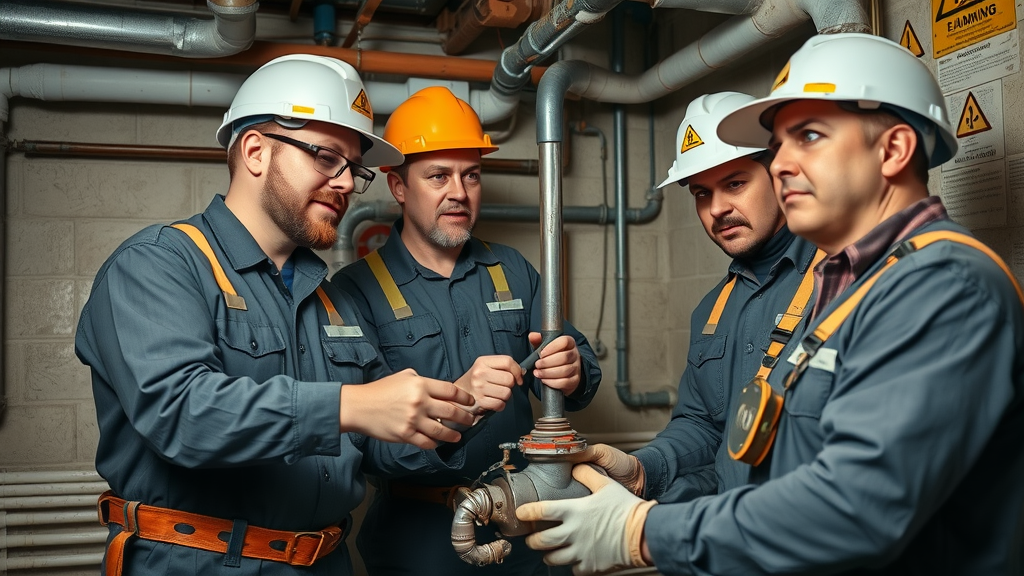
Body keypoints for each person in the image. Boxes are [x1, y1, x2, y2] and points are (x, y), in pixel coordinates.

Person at [518, 32, 1024, 576]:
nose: (782, 164)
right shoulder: (852, 285)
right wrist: (647, 472)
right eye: (780, 144)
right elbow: (749, 446)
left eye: (809, 136)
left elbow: (857, 508)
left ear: (894, 150)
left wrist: (645, 532)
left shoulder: (941, 287)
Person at [75, 55, 477, 576]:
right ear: (255, 151)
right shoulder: (158, 264)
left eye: (354, 170)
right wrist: (347, 405)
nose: (345, 184)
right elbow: (181, 414)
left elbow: (377, 446)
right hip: (196, 564)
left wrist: (454, 409)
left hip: (326, 562)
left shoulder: (334, 300)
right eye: (326, 157)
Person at [331, 86, 602, 576]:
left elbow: (576, 365)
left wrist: (573, 369)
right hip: (420, 542)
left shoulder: (512, 270)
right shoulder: (354, 291)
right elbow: (366, 444)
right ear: (398, 187)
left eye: (471, 175)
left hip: (524, 526)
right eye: (439, 175)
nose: (459, 191)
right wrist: (462, 402)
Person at [572, 91, 822, 505]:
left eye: (735, 183)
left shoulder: (843, 280)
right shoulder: (711, 312)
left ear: (780, 173)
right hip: (732, 528)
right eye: (701, 193)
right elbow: (704, 425)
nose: (717, 208)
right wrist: (642, 471)